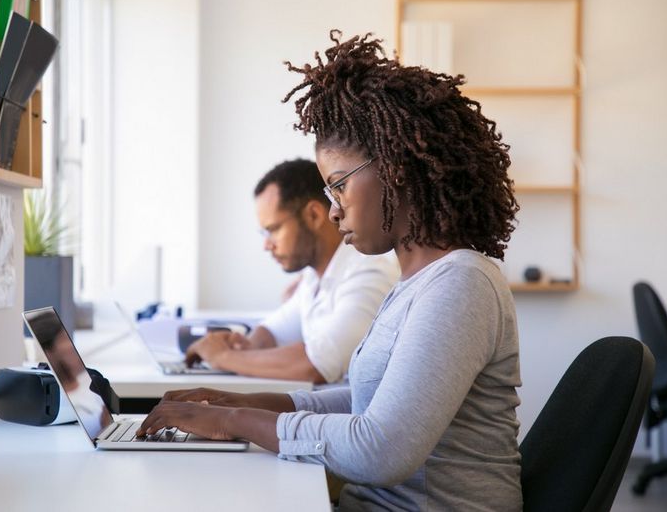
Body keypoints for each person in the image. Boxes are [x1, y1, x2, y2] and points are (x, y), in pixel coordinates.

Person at [138, 31, 522, 510]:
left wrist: (233, 423)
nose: (333, 211)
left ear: (397, 168)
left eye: (337, 186)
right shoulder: (417, 284)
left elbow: (379, 449)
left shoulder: (462, 284)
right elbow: (365, 407)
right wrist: (232, 403)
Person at [185, 158, 399, 384]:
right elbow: (271, 333)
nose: (267, 245)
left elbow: (315, 365)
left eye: (273, 230)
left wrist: (224, 357)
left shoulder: (370, 272)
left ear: (314, 215)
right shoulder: (313, 278)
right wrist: (243, 346)